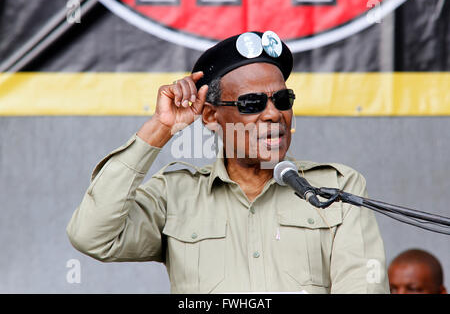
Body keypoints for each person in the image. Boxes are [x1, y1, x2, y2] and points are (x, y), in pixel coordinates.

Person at [66, 31, 389, 294]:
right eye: (252, 103)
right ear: (210, 115)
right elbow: (92, 236)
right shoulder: (174, 193)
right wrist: (160, 128)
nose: (274, 113)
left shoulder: (336, 187)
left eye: (282, 100)